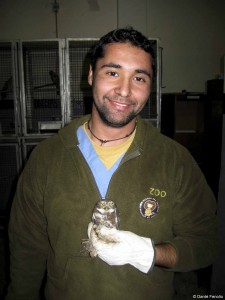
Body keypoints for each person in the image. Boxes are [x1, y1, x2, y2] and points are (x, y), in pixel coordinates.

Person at [6, 27, 217, 300]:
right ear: (91, 75)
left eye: (139, 78)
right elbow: (26, 250)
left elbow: (207, 242)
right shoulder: (47, 158)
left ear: (150, 87)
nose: (124, 91)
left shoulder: (174, 160)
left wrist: (150, 252)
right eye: (113, 72)